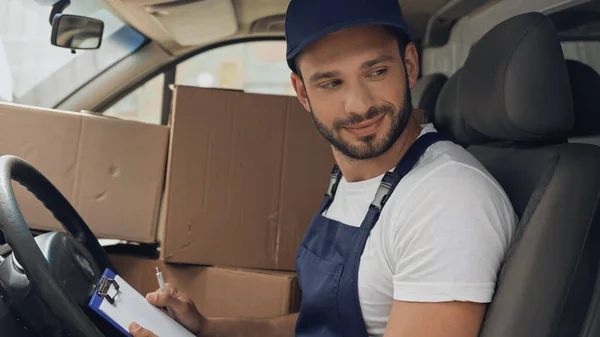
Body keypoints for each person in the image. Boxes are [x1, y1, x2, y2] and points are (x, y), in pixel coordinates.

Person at [129, 0, 518, 336]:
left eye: (376, 71)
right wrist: (209, 329)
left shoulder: (446, 200)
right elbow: (323, 326)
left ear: (409, 65)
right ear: (302, 92)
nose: (358, 105)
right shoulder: (355, 178)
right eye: (331, 83)